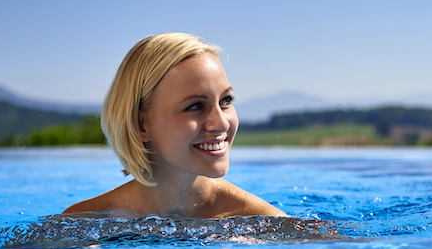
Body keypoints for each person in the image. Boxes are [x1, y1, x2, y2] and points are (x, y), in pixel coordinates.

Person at [63, 33, 286, 218]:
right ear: (141, 125)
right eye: (195, 106)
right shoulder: (81, 221)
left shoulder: (263, 219)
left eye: (226, 101)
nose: (221, 123)